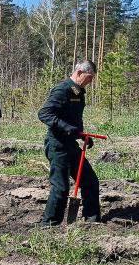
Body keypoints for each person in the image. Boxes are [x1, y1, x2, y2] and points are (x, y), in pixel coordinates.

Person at [38, 61, 101, 225]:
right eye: (89, 77)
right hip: (57, 144)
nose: (90, 81)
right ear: (79, 72)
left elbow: (74, 117)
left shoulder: (78, 92)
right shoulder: (63, 89)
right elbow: (44, 113)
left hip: (71, 144)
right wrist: (67, 128)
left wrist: (82, 135)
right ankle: (49, 224)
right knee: (61, 187)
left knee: (90, 181)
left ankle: (92, 220)